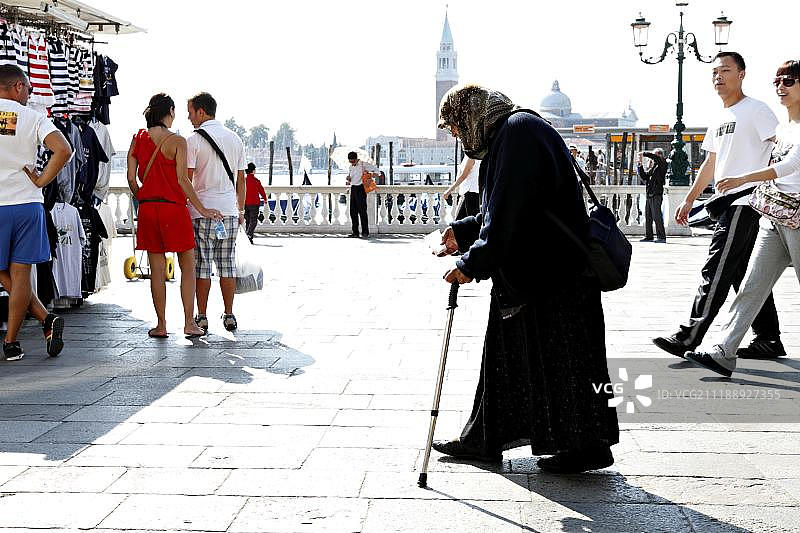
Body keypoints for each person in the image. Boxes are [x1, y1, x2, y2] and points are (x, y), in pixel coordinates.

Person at [432, 84, 619, 474]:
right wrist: (464, 233)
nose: (454, 134)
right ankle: (485, 439)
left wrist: (472, 263)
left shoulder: (516, 134)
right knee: (510, 357)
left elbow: (509, 215)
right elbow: (508, 205)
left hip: (552, 277)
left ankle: (585, 447)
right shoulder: (514, 133)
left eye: (454, 125)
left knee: (565, 363)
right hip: (541, 274)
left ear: (472, 115)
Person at [653, 52, 786, 360]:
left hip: (746, 202)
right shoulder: (719, 118)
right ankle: (768, 338)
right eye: (714, 72)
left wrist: (761, 184)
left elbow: (780, 149)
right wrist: (689, 198)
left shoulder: (757, 110)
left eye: (725, 70)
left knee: (717, 269)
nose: (718, 76)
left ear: (742, 74)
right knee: (743, 273)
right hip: (724, 202)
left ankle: (689, 336)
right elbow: (711, 163)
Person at [685, 60, 800, 376]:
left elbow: (790, 165)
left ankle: (710, 341)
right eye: (777, 81)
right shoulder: (783, 128)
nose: (781, 87)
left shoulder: (787, 125)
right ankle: (724, 351)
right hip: (771, 215)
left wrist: (741, 179)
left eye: (788, 81)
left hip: (797, 218)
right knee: (751, 285)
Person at [127, 93, 223, 339]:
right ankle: (189, 323)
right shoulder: (178, 141)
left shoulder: (138, 138)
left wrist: (144, 198)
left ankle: (161, 325)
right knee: (187, 267)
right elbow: (182, 180)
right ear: (169, 111)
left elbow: (130, 178)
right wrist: (202, 209)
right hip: (174, 209)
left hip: (148, 209)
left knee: (157, 270)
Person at [0, 65, 71, 361]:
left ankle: (44, 319)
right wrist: (42, 180)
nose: (30, 94)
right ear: (17, 87)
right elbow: (64, 149)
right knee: (21, 275)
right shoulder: (34, 118)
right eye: (28, 88)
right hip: (28, 204)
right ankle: (14, 341)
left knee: (11, 277)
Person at [186, 92, 246, 332]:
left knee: (202, 267)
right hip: (230, 212)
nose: (189, 118)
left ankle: (201, 316)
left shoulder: (194, 140)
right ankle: (229, 314)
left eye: (190, 112)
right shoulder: (235, 138)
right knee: (227, 265)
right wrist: (239, 209)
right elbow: (241, 179)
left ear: (201, 112)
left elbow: (187, 180)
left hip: (203, 213)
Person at [345, 151, 379, 238]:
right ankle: (355, 232)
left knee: (362, 211)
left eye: (353, 161)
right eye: (350, 161)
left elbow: (377, 171)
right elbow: (351, 178)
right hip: (353, 188)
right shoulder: (350, 167)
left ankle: (365, 232)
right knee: (353, 212)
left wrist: (369, 175)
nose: (351, 163)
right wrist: (348, 178)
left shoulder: (364, 165)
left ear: (356, 159)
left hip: (361, 189)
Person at [637, 148, 667, 243]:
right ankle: (649, 236)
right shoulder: (654, 167)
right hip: (649, 194)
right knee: (648, 216)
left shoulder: (662, 163)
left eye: (655, 156)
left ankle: (661, 237)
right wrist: (640, 166)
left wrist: (644, 153)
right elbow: (644, 177)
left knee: (656, 216)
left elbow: (655, 158)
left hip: (656, 194)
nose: (653, 158)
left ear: (659, 155)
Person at [443, 155, 481, 220]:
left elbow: (463, 175)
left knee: (459, 222)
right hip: (473, 192)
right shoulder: (478, 156)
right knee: (465, 222)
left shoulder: (471, 157)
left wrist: (449, 190)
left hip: (469, 192)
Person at [244, 162, 267, 244]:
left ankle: (249, 238)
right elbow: (261, 190)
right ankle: (249, 234)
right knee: (253, 221)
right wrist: (265, 198)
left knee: (248, 220)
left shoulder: (244, 181)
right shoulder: (256, 181)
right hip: (254, 203)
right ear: (253, 171)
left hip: (245, 203)